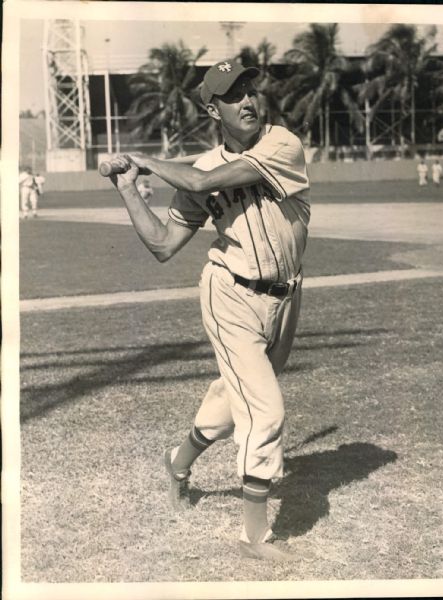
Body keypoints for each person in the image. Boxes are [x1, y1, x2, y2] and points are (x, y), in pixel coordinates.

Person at [108, 59, 310, 562]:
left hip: (287, 296)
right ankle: (255, 540)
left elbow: (206, 182)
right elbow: (162, 244)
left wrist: (148, 161)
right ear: (212, 109)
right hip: (229, 294)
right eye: (232, 94)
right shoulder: (197, 169)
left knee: (233, 394)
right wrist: (130, 189)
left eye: (249, 88)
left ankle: (177, 463)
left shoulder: (281, 143)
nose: (247, 100)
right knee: (265, 409)